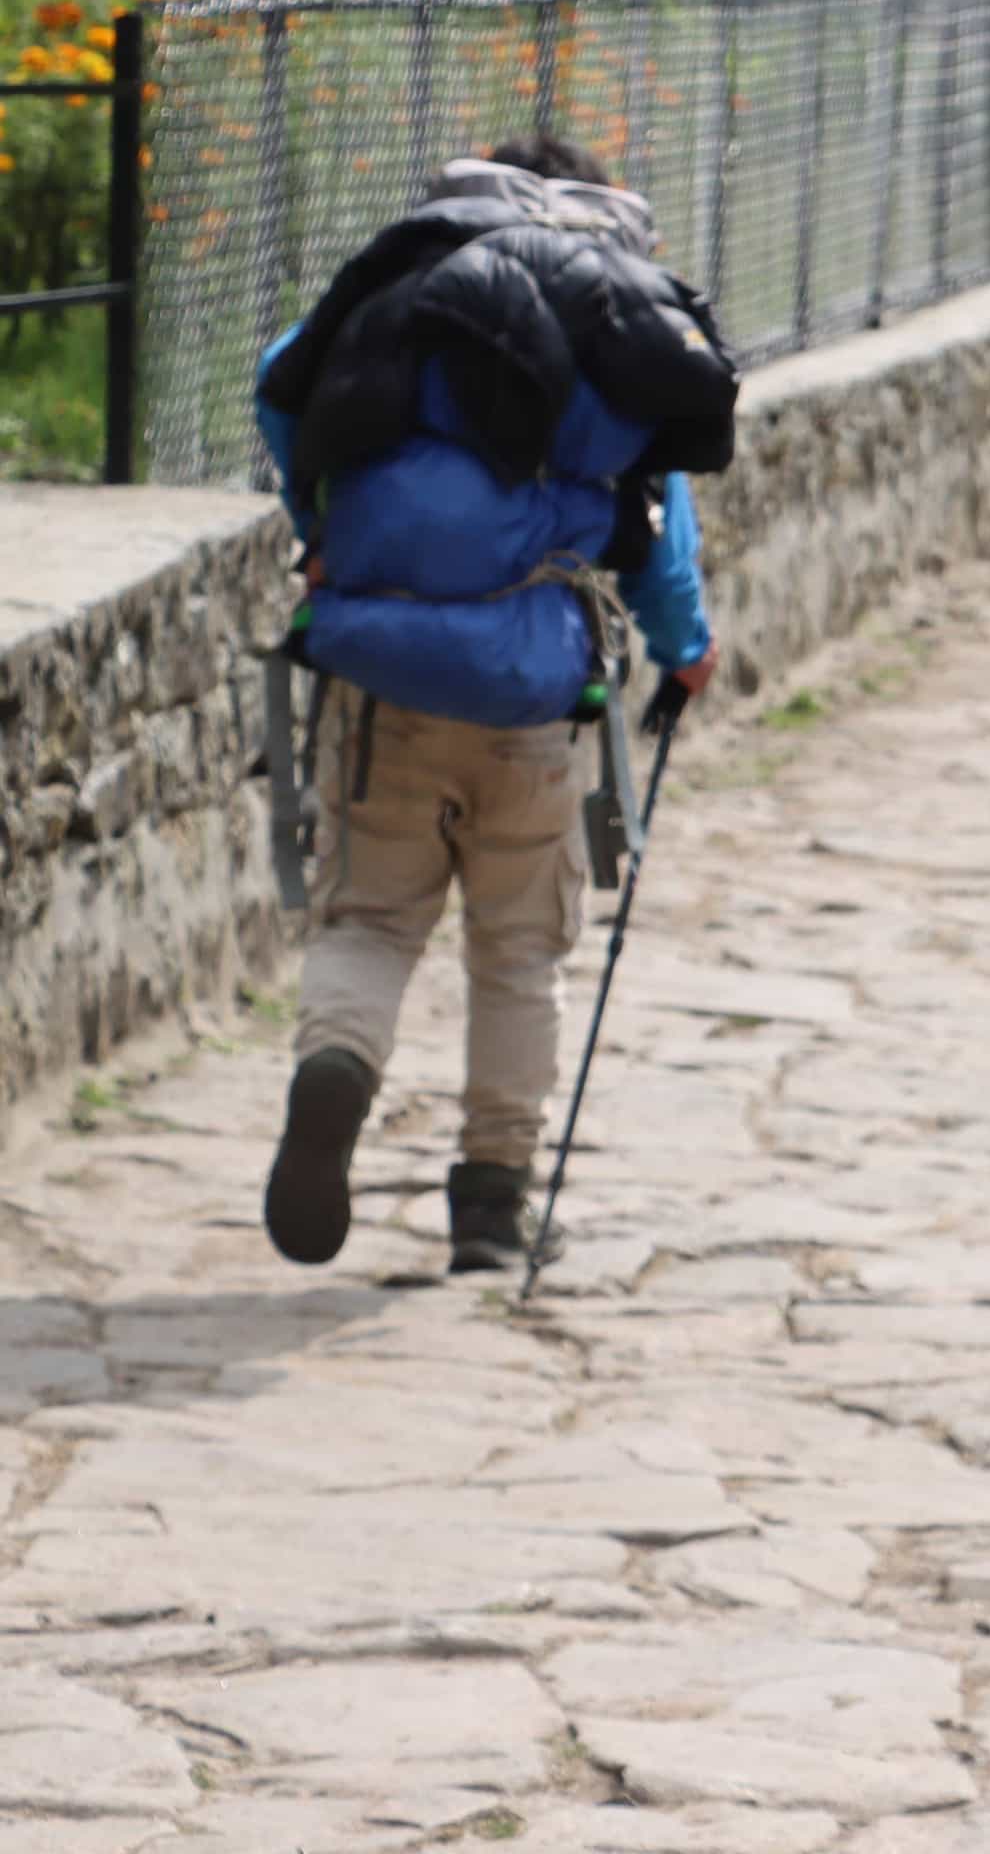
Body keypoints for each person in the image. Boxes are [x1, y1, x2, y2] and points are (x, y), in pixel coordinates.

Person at [253, 136, 732, 1276]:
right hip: (536, 691)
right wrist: (689, 650)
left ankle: (337, 1070)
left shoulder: (408, 296)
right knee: (520, 952)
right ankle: (491, 1205)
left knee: (370, 920)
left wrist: (323, 532)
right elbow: (660, 538)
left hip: (382, 672)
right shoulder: (605, 329)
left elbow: (285, 389)